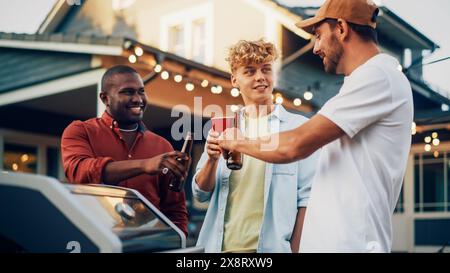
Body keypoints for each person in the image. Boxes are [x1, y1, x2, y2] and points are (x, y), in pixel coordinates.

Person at [218, 0, 413, 252]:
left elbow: (294, 145)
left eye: (318, 36)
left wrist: (236, 141)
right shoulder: (361, 83)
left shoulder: (377, 78)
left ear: (341, 28)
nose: (315, 48)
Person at [193, 39, 319, 253]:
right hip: (218, 248)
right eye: (250, 71)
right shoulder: (223, 128)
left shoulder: (298, 128)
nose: (260, 77)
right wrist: (212, 161)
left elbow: (307, 200)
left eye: (266, 69)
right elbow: (200, 193)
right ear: (235, 80)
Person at [61, 65, 189, 235]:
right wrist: (144, 165)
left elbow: (175, 208)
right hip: (93, 240)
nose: (138, 99)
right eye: (128, 92)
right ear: (105, 98)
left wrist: (177, 239)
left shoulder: (162, 146)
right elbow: (79, 173)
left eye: (141, 91)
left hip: (147, 245)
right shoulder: (80, 131)